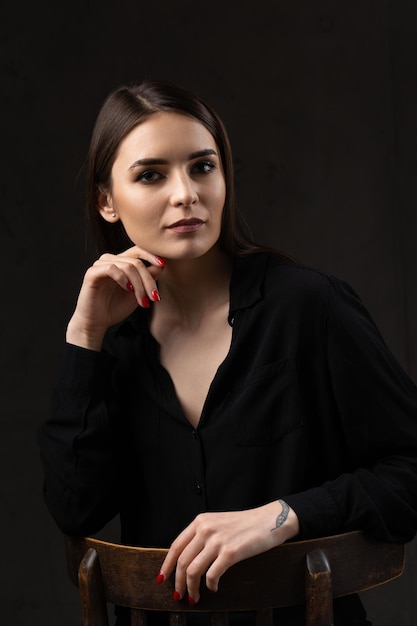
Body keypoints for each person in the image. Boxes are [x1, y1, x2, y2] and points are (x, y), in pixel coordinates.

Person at [37, 79, 417, 626]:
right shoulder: (113, 348)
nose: (185, 193)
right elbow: (75, 508)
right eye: (151, 175)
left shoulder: (310, 307)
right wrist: (84, 337)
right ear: (106, 202)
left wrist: (284, 516)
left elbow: (409, 471)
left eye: (202, 166)